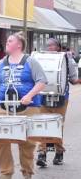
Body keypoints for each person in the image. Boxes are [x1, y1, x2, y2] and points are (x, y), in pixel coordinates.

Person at [0, 31, 47, 179]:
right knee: (0, 140)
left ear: (19, 45)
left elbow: (42, 81)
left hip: (28, 108)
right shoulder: (1, 62)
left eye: (10, 41)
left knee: (27, 142)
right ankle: (5, 173)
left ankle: (27, 173)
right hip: (2, 107)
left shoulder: (31, 61)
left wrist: (29, 96)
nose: (6, 43)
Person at [36, 38, 81, 167]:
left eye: (52, 45)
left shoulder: (67, 60)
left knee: (56, 126)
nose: (49, 47)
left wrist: (78, 80)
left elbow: (73, 79)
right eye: (48, 45)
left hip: (61, 97)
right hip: (43, 97)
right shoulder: (41, 59)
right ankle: (42, 154)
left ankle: (59, 153)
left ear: (59, 47)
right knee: (43, 125)